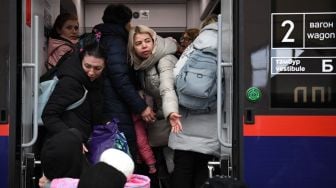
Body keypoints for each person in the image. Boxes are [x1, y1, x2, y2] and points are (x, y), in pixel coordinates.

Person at [92, 3, 156, 162]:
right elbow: (119, 77)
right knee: (123, 153)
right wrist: (141, 107)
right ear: (125, 22)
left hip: (101, 103)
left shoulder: (98, 38)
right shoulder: (115, 41)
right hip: (114, 104)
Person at [39, 37, 107, 186]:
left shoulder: (95, 82)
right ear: (81, 60)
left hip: (78, 148)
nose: (91, 72)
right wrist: (72, 139)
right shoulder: (70, 82)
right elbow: (49, 115)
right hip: (64, 151)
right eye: (87, 66)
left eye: (97, 68)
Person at [169, 15, 224, 188]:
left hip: (184, 126)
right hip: (211, 129)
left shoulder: (194, 47)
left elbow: (176, 76)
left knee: (182, 172)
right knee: (204, 174)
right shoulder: (228, 45)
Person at [128, 24, 183, 187]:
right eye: (138, 43)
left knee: (174, 166)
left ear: (154, 41)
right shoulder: (145, 65)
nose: (144, 46)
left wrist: (171, 112)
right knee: (167, 165)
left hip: (174, 119)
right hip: (162, 121)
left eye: (147, 41)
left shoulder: (164, 60)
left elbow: (167, 88)